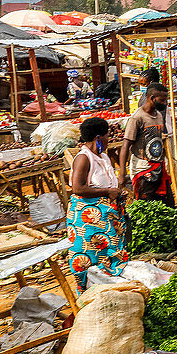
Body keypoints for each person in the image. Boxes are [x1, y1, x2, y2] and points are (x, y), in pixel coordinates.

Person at [67, 118, 129, 290]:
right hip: (88, 221)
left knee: (109, 257)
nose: (109, 139)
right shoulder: (83, 158)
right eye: (107, 136)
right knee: (89, 259)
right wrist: (107, 192)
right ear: (98, 138)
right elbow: (77, 188)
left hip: (105, 217)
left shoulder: (102, 157)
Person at [118, 82, 174, 205]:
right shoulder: (137, 118)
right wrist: (122, 173)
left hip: (158, 166)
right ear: (152, 98)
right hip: (143, 168)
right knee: (144, 204)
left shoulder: (158, 115)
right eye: (162, 100)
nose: (165, 103)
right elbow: (125, 146)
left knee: (168, 203)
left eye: (166, 100)